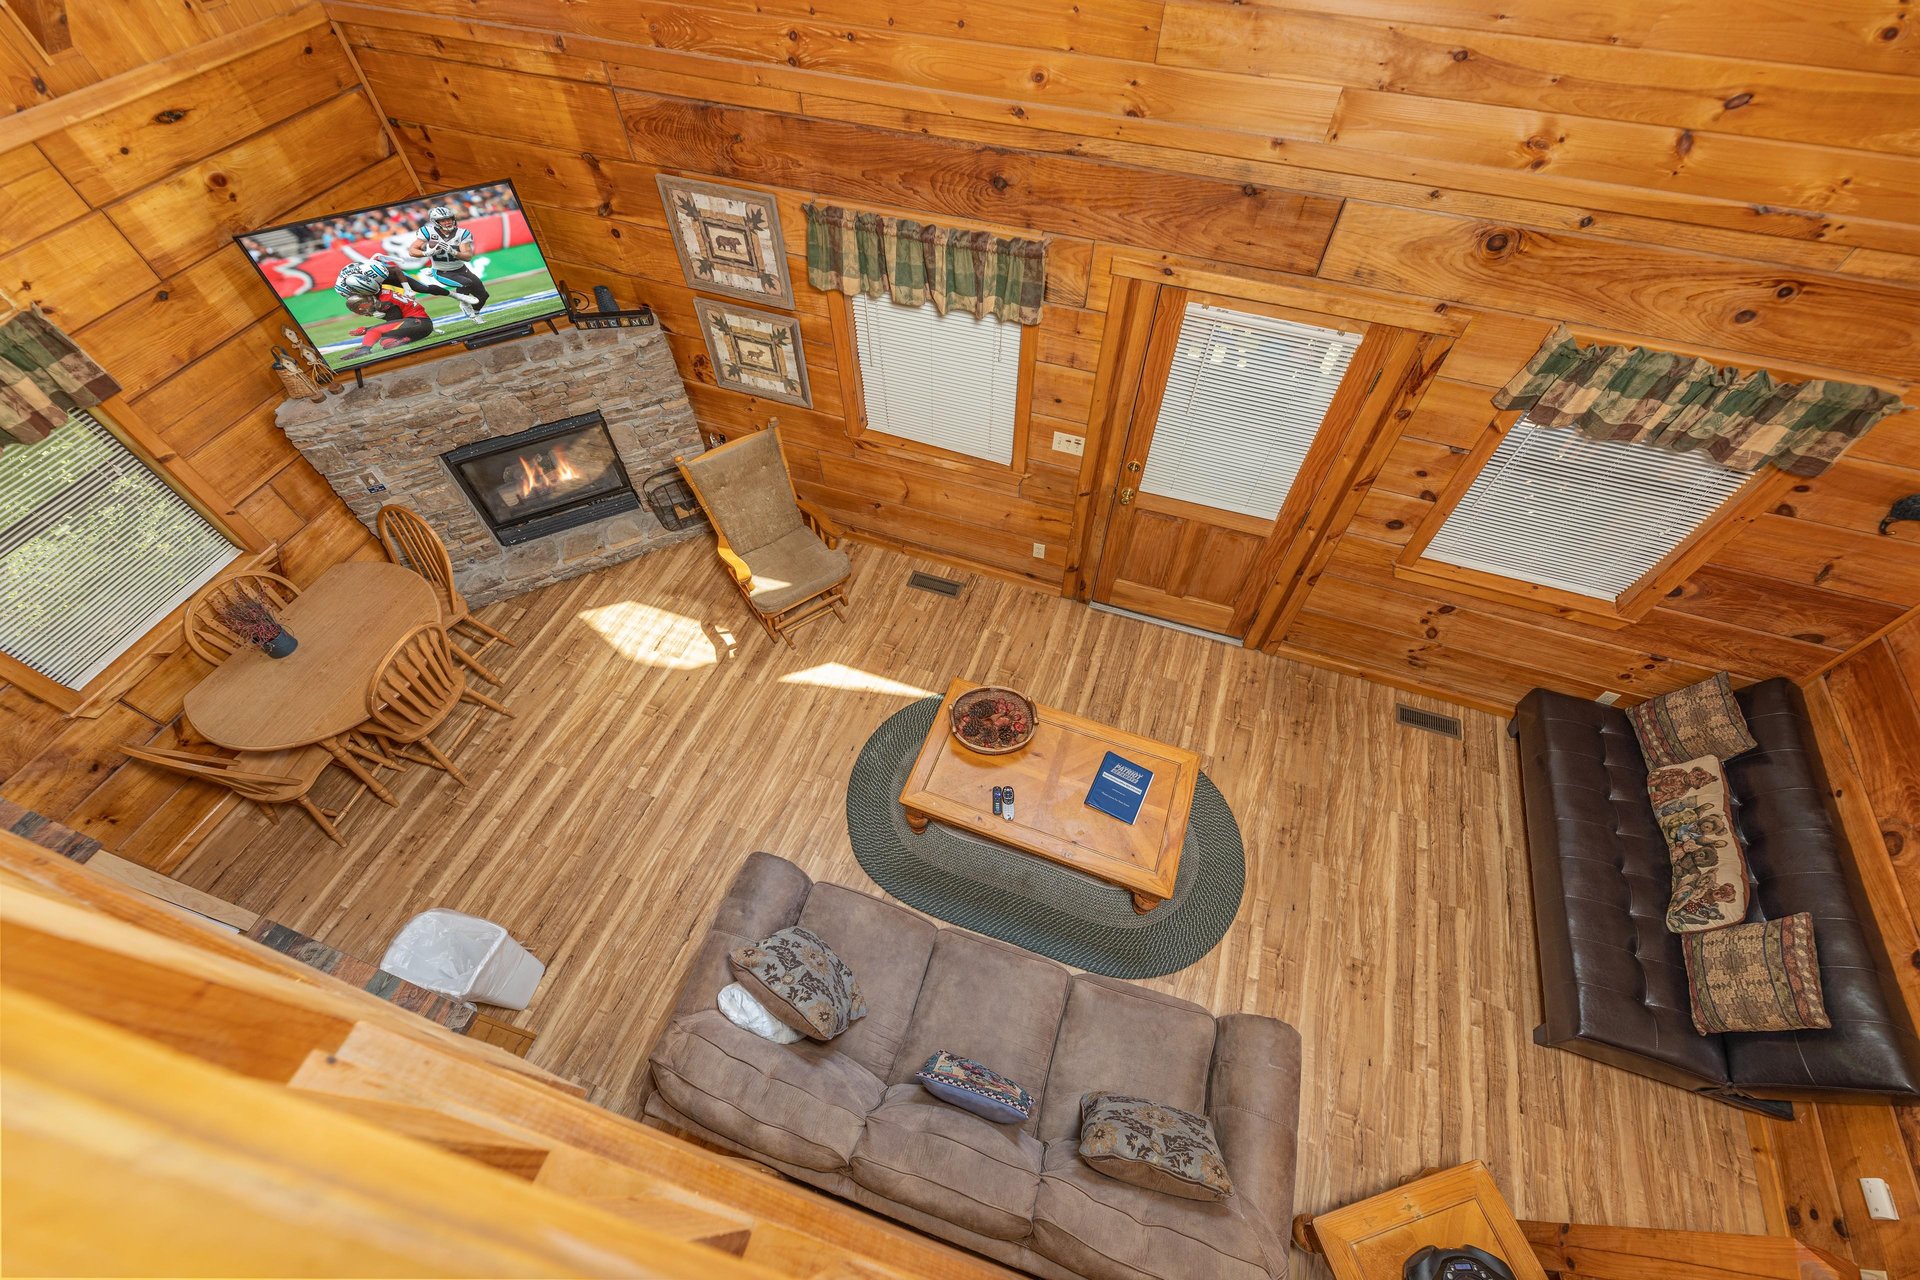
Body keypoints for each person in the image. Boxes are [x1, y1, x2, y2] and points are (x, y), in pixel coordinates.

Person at [406, 204, 491, 323]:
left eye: (449, 219)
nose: (448, 222)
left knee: (483, 295)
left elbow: (468, 257)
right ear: (436, 222)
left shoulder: (462, 233)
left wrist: (453, 251)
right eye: (443, 220)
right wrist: (426, 253)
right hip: (441, 271)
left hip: (461, 269)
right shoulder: (428, 232)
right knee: (465, 283)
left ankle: (476, 314)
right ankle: (464, 303)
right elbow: (412, 251)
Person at [334, 261, 435, 353]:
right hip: (419, 326)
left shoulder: (383, 301)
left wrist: (367, 329)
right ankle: (404, 339)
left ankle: (364, 349)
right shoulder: (382, 292)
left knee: (375, 331)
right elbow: (394, 323)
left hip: (418, 323)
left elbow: (395, 320)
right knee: (386, 341)